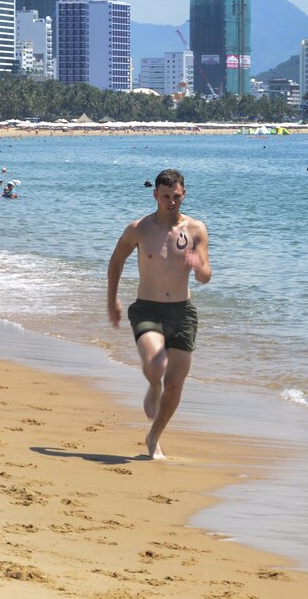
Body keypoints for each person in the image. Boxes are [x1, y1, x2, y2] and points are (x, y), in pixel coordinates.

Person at [106, 169, 211, 460]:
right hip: (148, 308)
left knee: (175, 385)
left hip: (183, 312)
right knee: (156, 363)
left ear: (183, 194)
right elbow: (115, 262)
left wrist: (196, 264)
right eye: (165, 196)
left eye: (176, 196)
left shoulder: (196, 229)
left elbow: (205, 276)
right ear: (155, 195)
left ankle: (154, 437)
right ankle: (153, 386)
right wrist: (112, 299)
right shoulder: (139, 229)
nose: (171, 201)